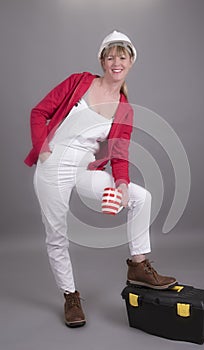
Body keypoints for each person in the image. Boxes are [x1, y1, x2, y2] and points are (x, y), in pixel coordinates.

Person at [24, 30, 176, 328]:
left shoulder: (124, 109)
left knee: (140, 197)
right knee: (56, 235)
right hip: (52, 165)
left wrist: (119, 183)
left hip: (86, 171)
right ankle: (70, 297)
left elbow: (119, 154)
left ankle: (138, 264)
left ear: (131, 62)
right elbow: (38, 111)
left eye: (122, 57)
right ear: (102, 60)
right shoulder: (78, 82)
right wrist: (42, 148)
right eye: (110, 57)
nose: (116, 63)